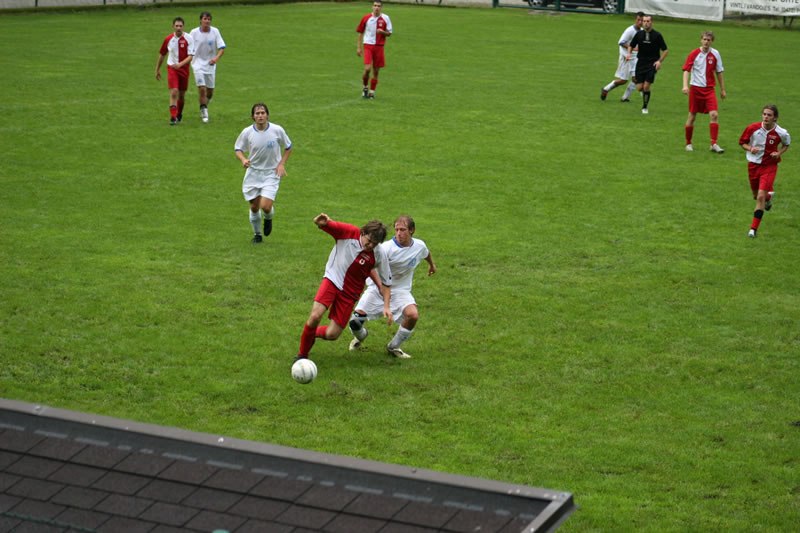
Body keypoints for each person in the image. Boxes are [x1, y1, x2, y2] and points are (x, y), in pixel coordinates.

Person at [297, 214, 391, 361]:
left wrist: (386, 305)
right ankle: (302, 356)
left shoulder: (379, 253)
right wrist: (320, 223)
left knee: (332, 335)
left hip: (350, 293)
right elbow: (327, 225)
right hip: (332, 279)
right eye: (369, 241)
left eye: (375, 243)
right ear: (363, 232)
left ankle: (311, 333)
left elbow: (386, 282)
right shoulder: (348, 232)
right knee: (315, 316)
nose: (371, 245)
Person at [348, 215, 436, 359]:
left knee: (413, 315)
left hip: (401, 291)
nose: (399, 233)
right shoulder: (385, 249)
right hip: (377, 289)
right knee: (355, 322)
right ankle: (361, 336)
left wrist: (432, 265)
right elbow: (370, 268)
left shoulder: (419, 246)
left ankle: (394, 347)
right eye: (396, 230)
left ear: (412, 230)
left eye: (403, 230)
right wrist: (379, 286)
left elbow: (426, 253)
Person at [234, 103, 293, 243]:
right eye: (257, 113)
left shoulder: (277, 130)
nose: (260, 116)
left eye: (262, 113)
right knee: (254, 207)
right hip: (253, 173)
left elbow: (288, 147)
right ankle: (258, 235)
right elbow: (238, 148)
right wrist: (243, 159)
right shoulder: (247, 132)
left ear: (267, 115)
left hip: (271, 174)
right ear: (253, 116)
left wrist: (281, 164)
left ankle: (268, 218)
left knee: (265, 206)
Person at [739, 105, 790, 238]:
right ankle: (769, 197)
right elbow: (742, 143)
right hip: (753, 166)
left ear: (775, 118)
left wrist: (778, 153)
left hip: (769, 166)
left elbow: (786, 144)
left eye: (769, 115)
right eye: (764, 114)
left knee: (760, 197)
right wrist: (750, 148)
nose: (766, 117)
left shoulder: (782, 133)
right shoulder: (752, 128)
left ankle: (753, 230)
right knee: (756, 196)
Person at [682, 31, 726, 153]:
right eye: (705, 39)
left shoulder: (716, 54)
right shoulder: (694, 53)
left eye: (709, 40)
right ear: (701, 40)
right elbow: (686, 70)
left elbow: (719, 72)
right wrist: (685, 85)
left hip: (709, 89)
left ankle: (713, 144)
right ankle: (688, 143)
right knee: (692, 116)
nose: (706, 42)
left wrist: (722, 89)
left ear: (712, 41)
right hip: (695, 89)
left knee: (714, 115)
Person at [155, 17, 195, 126]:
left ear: (183, 27)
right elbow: (162, 54)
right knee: (174, 91)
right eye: (176, 26)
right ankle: (173, 117)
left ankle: (179, 114)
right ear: (173, 27)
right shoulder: (168, 39)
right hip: (172, 68)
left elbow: (191, 56)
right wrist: (157, 69)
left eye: (180, 26)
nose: (178, 28)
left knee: (181, 95)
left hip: (184, 69)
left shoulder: (189, 39)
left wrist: (180, 65)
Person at [626, 15, 668, 115]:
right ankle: (645, 94)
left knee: (646, 86)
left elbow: (665, 50)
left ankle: (645, 107)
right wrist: (628, 54)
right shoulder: (639, 34)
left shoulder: (657, 35)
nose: (645, 23)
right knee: (639, 87)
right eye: (644, 21)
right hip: (640, 63)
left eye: (648, 21)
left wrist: (659, 61)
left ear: (652, 22)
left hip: (652, 64)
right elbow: (631, 45)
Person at [189, 11, 226, 124]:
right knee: (202, 88)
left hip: (210, 65)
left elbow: (222, 48)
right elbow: (188, 46)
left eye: (209, 19)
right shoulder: (194, 33)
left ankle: (204, 104)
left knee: (210, 92)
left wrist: (216, 58)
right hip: (197, 64)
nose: (207, 21)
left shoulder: (215, 32)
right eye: (205, 19)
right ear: (201, 20)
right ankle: (204, 111)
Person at [601, 12, 644, 103]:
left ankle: (625, 98)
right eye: (638, 20)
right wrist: (631, 48)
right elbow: (621, 42)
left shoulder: (642, 31)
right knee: (623, 80)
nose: (640, 22)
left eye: (642, 20)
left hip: (635, 58)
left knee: (636, 78)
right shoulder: (630, 30)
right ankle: (606, 89)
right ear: (635, 20)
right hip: (626, 57)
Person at [356, 0, 392, 99]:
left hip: (379, 47)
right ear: (372, 7)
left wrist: (382, 32)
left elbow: (389, 33)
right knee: (367, 69)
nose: (376, 8)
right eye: (375, 5)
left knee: (376, 71)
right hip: (368, 45)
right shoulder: (366, 18)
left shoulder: (386, 18)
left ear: (381, 8)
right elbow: (360, 32)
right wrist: (359, 47)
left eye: (379, 6)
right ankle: (365, 87)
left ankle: (372, 93)